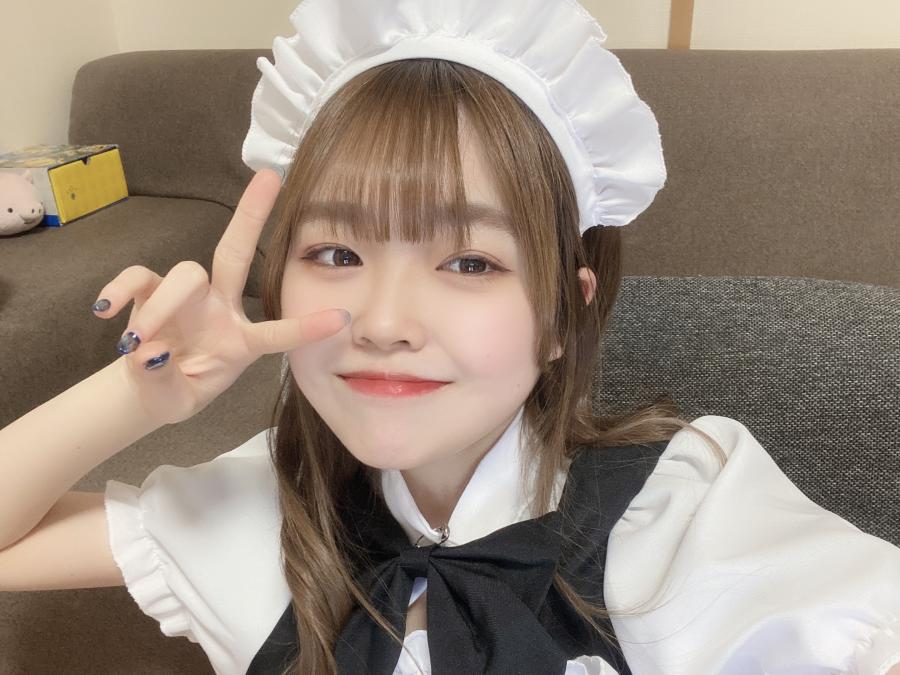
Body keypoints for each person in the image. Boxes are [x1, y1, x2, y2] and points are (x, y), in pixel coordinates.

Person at [1, 1, 899, 674]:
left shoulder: (680, 509)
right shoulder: (260, 504)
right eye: (337, 252)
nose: (386, 324)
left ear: (565, 313)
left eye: (469, 261)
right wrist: (143, 391)